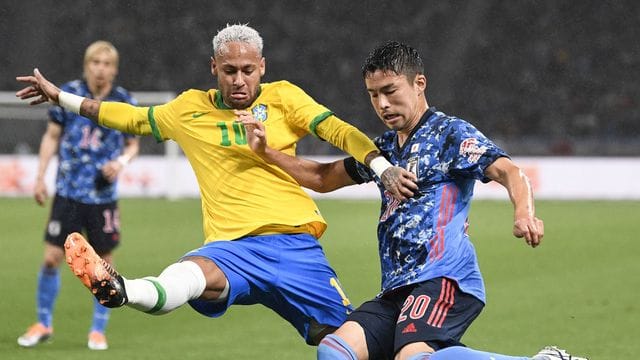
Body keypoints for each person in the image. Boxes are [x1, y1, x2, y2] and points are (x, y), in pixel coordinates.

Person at [15, 25, 416, 347]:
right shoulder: (189, 109)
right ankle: (122, 290)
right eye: (229, 71)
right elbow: (129, 117)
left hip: (297, 246)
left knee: (344, 343)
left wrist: (380, 167)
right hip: (231, 248)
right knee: (192, 275)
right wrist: (61, 98)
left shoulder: (284, 98)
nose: (239, 79)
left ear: (262, 66)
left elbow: (339, 131)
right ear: (214, 68)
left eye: (247, 70)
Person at [239, 41, 588, 360]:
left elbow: (509, 171)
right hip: (395, 288)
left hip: (444, 278)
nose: (383, 104)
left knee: (411, 357)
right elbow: (322, 178)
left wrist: (524, 213)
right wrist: (266, 152)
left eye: (390, 91)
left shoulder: (450, 133)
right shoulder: (385, 149)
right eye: (373, 95)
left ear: (419, 84)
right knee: (334, 350)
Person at [16, 40, 139, 351]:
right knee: (50, 259)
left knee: (103, 267)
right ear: (87, 64)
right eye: (96, 62)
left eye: (107, 63)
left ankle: (98, 330)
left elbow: (133, 144)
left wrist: (120, 163)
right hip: (68, 194)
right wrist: (41, 177)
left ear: (115, 68)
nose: (101, 68)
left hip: (102, 197)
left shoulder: (123, 100)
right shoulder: (67, 93)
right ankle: (43, 323)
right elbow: (52, 137)